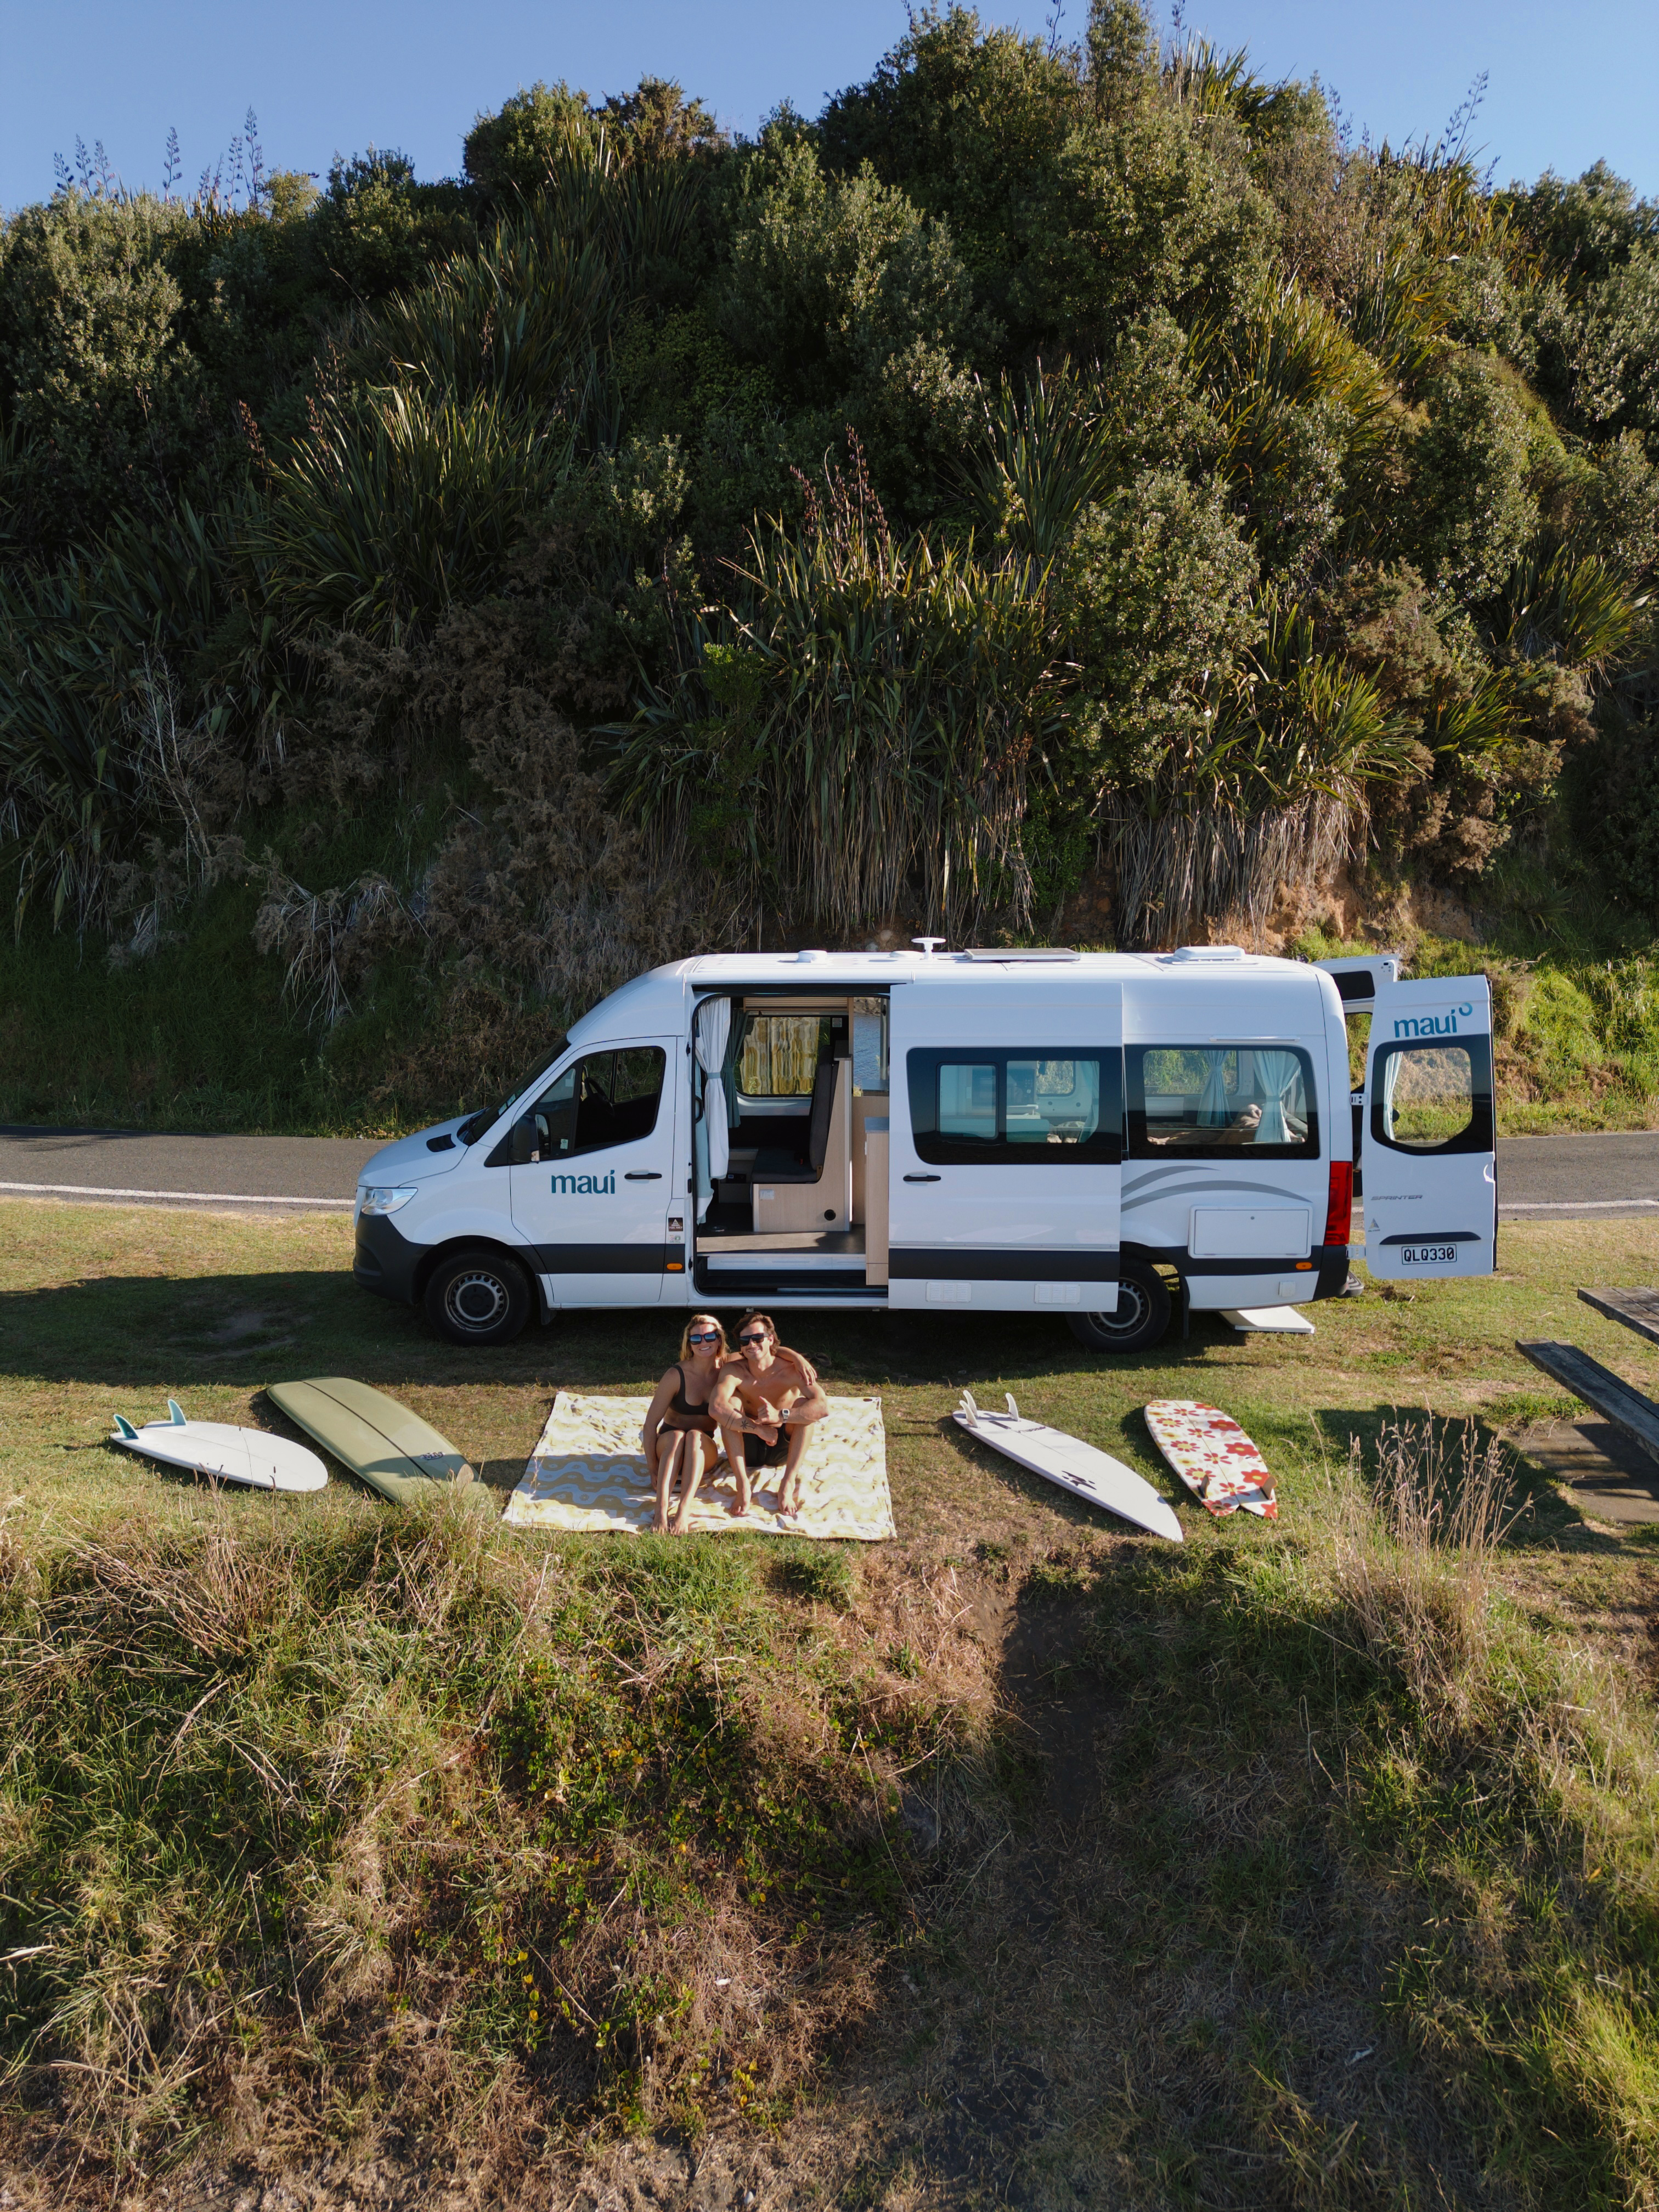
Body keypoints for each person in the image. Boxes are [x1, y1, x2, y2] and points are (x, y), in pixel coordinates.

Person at [709, 1311, 828, 1523]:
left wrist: (781, 1415)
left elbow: (822, 1407)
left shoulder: (792, 1370)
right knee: (731, 1406)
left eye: (758, 1338)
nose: (752, 1344)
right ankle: (743, 1485)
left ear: (770, 1339)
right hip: (747, 1446)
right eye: (745, 1341)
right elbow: (716, 1407)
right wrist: (757, 1428)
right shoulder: (734, 1370)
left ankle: (787, 1483)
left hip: (782, 1446)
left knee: (804, 1408)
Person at [640, 1315, 728, 1534]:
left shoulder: (727, 1370)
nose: (703, 1343)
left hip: (701, 1449)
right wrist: (653, 1468)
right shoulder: (675, 1375)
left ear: (719, 1340)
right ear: (688, 1344)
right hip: (669, 1446)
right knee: (680, 1435)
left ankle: (683, 1511)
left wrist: (799, 1359)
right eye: (696, 1338)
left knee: (695, 1436)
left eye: (710, 1336)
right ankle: (660, 1511)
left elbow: (769, 1352)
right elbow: (650, 1425)